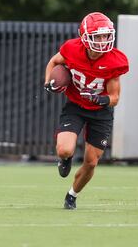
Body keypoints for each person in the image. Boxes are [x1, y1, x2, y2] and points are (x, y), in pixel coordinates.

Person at [44, 12, 129, 210]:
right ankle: (65, 159)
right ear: (84, 36)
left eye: (105, 36)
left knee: (91, 162)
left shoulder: (115, 60)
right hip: (75, 105)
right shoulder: (72, 48)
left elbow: (115, 98)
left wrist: (99, 98)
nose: (102, 41)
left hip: (100, 112)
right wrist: (48, 82)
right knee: (64, 149)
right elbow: (54, 62)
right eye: (97, 36)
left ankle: (72, 195)